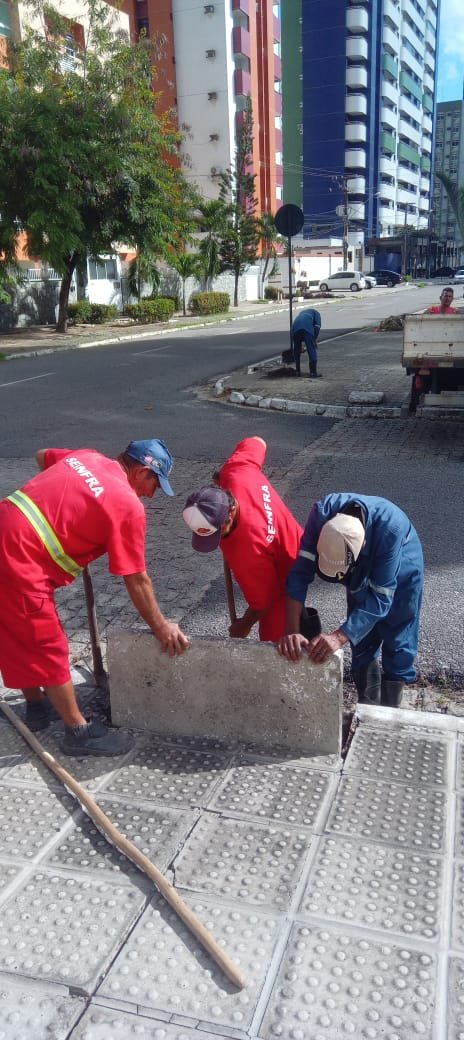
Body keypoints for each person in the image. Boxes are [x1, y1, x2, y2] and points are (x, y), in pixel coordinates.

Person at [0, 439, 189, 755]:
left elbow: (41, 455)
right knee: (47, 642)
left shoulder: (87, 457)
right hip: (19, 557)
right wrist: (161, 627)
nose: (151, 494)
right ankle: (78, 732)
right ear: (141, 472)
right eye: (155, 484)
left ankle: (37, 707)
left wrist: (72, 505)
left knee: (14, 627)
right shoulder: (128, 506)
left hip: (4, 525)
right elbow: (137, 579)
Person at [278, 493, 424, 708]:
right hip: (358, 558)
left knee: (398, 633)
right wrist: (292, 630)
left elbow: (381, 599)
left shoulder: (390, 529)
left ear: (362, 546)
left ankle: (389, 711)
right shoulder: (321, 514)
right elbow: (299, 574)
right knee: (361, 634)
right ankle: (367, 706)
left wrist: (338, 637)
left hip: (402, 561)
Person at [182, 436, 320, 643]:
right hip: (295, 538)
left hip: (289, 567)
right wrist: (224, 476)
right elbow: (257, 441)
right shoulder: (237, 472)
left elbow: (263, 601)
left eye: (218, 531)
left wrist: (243, 626)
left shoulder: (246, 550)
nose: (217, 539)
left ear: (230, 511)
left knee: (277, 643)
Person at [291, 307, 322, 378]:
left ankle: (297, 371)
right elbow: (317, 327)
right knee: (311, 350)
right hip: (307, 329)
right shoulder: (317, 314)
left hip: (295, 330)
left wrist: (299, 346)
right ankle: (313, 373)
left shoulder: (300, 314)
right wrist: (313, 340)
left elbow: (292, 330)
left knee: (296, 351)